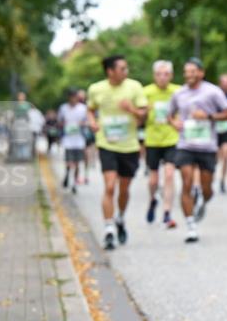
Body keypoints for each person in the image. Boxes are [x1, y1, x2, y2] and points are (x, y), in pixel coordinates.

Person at [168, 57, 227, 243]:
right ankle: (190, 226)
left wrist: (209, 116)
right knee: (186, 182)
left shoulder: (213, 92)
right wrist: (174, 123)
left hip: (207, 146)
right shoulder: (179, 94)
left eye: (192, 71)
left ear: (201, 73)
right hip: (185, 145)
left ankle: (203, 199)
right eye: (186, 71)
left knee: (207, 188)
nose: (188, 75)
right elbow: (169, 115)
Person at [87, 55, 148, 250]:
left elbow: (144, 114)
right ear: (110, 71)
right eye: (122, 68)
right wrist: (92, 122)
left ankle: (120, 217)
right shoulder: (96, 89)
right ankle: (109, 229)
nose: (126, 72)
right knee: (110, 186)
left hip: (129, 145)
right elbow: (90, 109)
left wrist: (131, 109)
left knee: (124, 189)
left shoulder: (134, 87)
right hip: (107, 143)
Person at [143, 60, 181, 228]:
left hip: (171, 139)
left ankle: (167, 212)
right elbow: (139, 117)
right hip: (152, 140)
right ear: (154, 76)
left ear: (171, 76)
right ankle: (152, 200)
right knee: (153, 180)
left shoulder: (178, 92)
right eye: (159, 74)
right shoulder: (146, 92)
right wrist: (144, 111)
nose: (162, 78)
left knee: (170, 175)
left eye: (166, 74)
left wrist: (177, 122)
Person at [57, 89, 88, 193]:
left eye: (75, 97)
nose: (73, 99)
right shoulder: (63, 108)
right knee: (69, 162)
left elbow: (87, 121)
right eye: (71, 97)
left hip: (79, 140)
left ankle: (74, 183)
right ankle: (67, 175)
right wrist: (64, 125)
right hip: (68, 140)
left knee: (77, 163)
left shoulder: (83, 108)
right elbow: (59, 122)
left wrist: (81, 124)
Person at [77, 88, 96, 184]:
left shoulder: (89, 106)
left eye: (82, 96)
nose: (81, 98)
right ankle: (77, 176)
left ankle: (85, 175)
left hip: (86, 134)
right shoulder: (72, 107)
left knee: (86, 154)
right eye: (79, 96)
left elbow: (93, 119)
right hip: (76, 135)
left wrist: (87, 123)